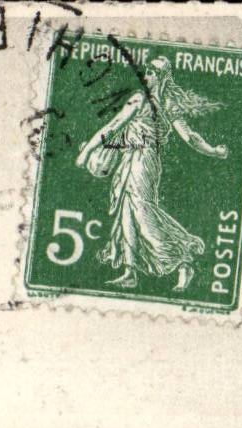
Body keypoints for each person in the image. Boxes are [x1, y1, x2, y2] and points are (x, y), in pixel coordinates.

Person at [75, 57, 228, 292]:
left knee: (142, 210)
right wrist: (88, 151)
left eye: (153, 70)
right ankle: (130, 271)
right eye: (146, 68)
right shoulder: (140, 99)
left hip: (144, 161)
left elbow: (190, 137)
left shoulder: (165, 103)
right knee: (127, 212)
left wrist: (214, 151)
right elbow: (113, 127)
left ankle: (183, 255)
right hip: (129, 159)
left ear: (162, 76)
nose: (147, 72)